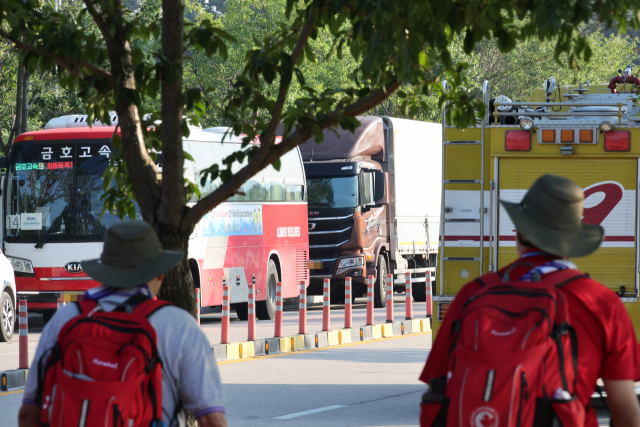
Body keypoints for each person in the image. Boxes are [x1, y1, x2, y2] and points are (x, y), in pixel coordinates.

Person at [420, 174, 640, 427]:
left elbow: (438, 387)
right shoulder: (601, 302)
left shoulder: (474, 293)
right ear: (572, 240)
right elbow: (626, 414)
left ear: (521, 231)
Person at [18, 221, 228, 427]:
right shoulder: (180, 327)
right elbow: (212, 420)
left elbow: (28, 414)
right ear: (159, 273)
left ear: (105, 270)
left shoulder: (65, 320)